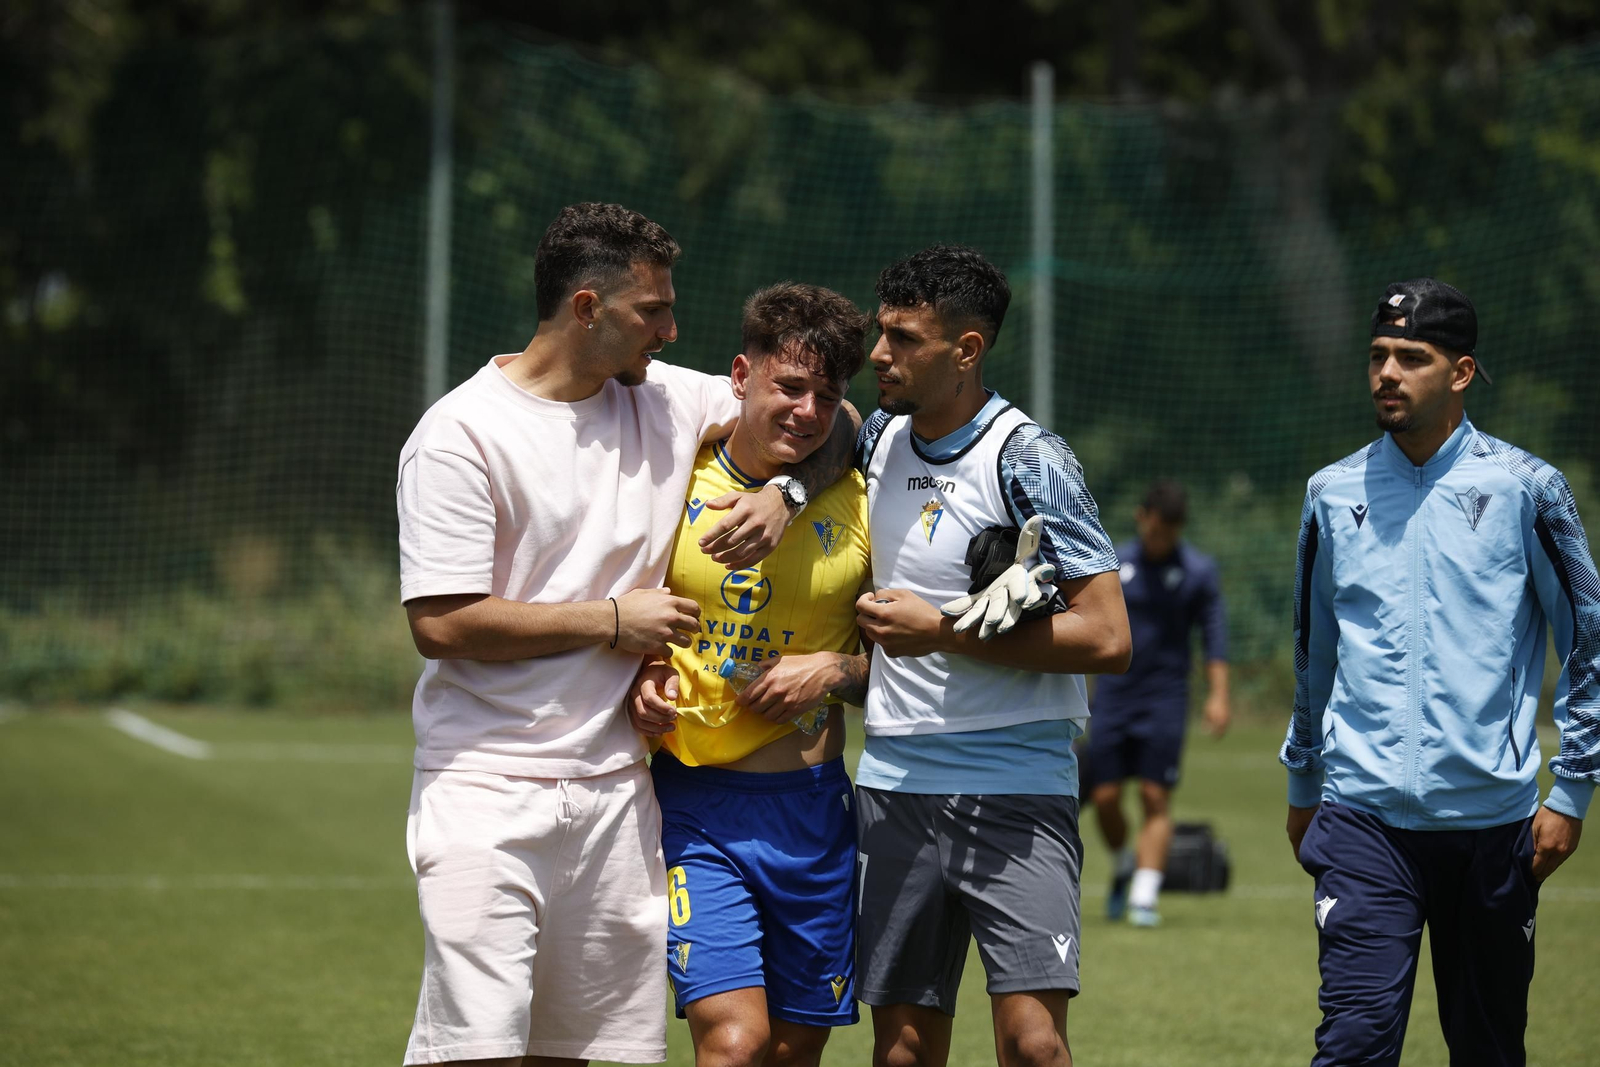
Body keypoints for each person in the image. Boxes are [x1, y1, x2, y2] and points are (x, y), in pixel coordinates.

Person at [395, 203, 854, 1067]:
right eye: (653, 311)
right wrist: (614, 623)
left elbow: (835, 414)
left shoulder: (666, 396)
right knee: (478, 1048)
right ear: (585, 308)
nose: (671, 328)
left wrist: (785, 496)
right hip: (487, 784)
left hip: (616, 792)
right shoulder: (460, 435)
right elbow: (442, 622)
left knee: (594, 1053)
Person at [1283, 278, 1598, 1066]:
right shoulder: (1331, 492)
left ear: (1460, 373)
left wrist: (1573, 789)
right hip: (1362, 818)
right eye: (1379, 355)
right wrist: (1303, 782)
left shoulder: (1527, 488)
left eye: (1412, 358)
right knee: (1353, 1042)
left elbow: (1589, 639)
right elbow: (1311, 652)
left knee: (1489, 1050)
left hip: (1495, 828)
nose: (1388, 372)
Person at [850, 245, 1131, 1067]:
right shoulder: (875, 438)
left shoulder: (1030, 457)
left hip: (1018, 782)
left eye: (904, 338)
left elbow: (1109, 638)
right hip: (895, 781)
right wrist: (783, 489)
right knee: (902, 1050)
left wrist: (942, 629)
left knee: (1033, 1044)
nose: (880, 354)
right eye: (881, 332)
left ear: (967, 350)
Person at [624, 281, 872, 1067]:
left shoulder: (862, 500)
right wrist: (645, 674)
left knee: (793, 1053)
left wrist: (833, 669)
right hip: (696, 807)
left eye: (824, 396)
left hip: (814, 813)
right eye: (789, 386)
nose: (805, 410)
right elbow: (628, 606)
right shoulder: (671, 478)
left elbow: (907, 667)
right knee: (734, 1044)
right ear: (741, 374)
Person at [1083, 479, 1230, 927]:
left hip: (1166, 698)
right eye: (1154, 527)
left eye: (1169, 531)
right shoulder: (1115, 564)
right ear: (1141, 517)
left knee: (1154, 795)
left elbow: (1215, 637)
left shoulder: (1198, 572)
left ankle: (1143, 898)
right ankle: (1126, 865)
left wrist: (1218, 696)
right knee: (1105, 798)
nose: (1159, 537)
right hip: (1114, 694)